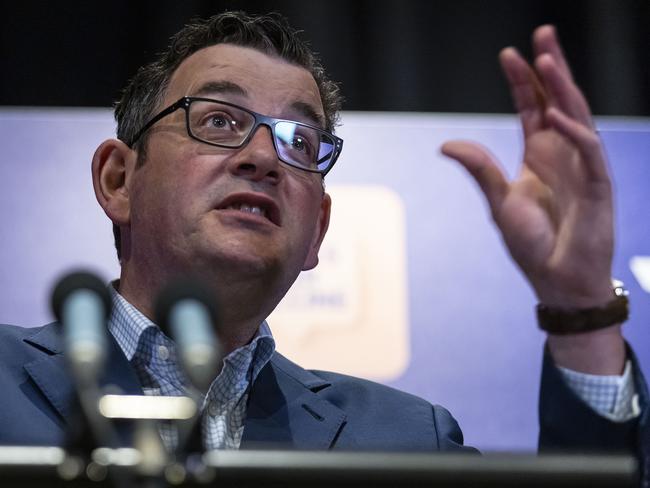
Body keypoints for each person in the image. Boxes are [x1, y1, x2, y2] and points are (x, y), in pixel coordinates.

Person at [0, 9, 646, 471]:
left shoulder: (402, 440)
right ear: (119, 179)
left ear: (319, 233)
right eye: (220, 120)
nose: (263, 157)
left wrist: (580, 306)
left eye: (300, 142)